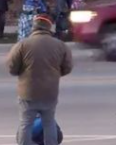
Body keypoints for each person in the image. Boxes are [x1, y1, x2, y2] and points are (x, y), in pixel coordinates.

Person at [8, 16, 73, 145]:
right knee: (49, 123)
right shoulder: (60, 45)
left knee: (25, 124)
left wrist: (21, 73)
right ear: (49, 28)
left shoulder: (22, 45)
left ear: (33, 27)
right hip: (50, 92)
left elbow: (11, 67)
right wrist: (55, 75)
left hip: (27, 92)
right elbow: (67, 67)